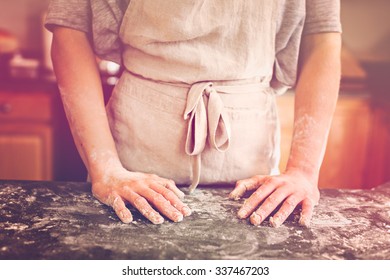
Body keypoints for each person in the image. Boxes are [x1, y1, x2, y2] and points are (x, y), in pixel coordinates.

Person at [45, 0, 341, 227]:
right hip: (131, 161)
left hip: (250, 167)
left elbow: (321, 36)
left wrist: (303, 171)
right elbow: (71, 28)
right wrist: (107, 170)